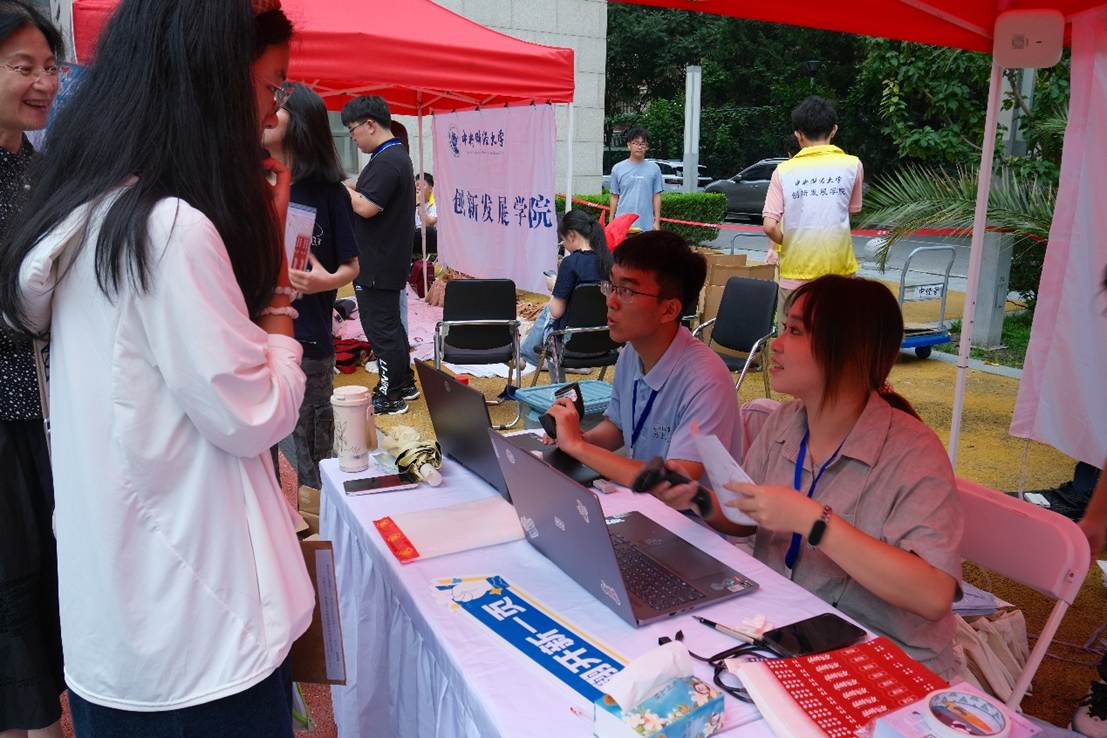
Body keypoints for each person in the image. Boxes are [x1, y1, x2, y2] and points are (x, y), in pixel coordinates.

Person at [0, 1, 313, 734]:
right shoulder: (168, 230)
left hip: (125, 629)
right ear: (211, 80)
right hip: (205, 638)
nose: (273, 112)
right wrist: (277, 299)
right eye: (272, 86)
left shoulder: (87, 212)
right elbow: (254, 413)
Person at [649, 276, 962, 678]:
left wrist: (814, 521)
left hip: (883, 660)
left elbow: (934, 595)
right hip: (786, 630)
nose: (776, 344)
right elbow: (747, 518)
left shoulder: (913, 453)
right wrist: (698, 498)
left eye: (795, 331)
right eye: (783, 328)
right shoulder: (784, 422)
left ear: (847, 351)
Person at [544, 230, 739, 487]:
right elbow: (619, 427)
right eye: (611, 286)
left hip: (686, 512)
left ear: (669, 309)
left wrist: (579, 447)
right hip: (642, 501)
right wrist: (575, 439)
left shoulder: (707, 381)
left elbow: (674, 481)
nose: (611, 301)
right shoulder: (632, 353)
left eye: (627, 291)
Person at [0, 4, 63, 737]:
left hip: (50, 413)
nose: (43, 81)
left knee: (52, 575)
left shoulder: (46, 173)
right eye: (24, 66)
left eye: (50, 66)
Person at [261, 82, 359, 491]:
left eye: (277, 106)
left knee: (315, 454)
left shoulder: (331, 194)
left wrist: (325, 281)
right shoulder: (249, 184)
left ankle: (318, 523)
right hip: (254, 343)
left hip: (309, 341)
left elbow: (351, 266)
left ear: (301, 121)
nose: (265, 113)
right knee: (260, 455)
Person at [341, 95, 417, 415]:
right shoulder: (393, 155)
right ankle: (403, 382)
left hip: (377, 260)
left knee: (381, 329)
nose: (353, 137)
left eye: (353, 130)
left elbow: (366, 206)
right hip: (386, 258)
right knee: (391, 326)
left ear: (370, 125)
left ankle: (390, 394)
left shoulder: (387, 161)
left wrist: (335, 186)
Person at [762, 97, 864, 320]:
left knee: (794, 334)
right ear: (834, 130)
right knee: (836, 336)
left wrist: (789, 242)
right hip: (839, 273)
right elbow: (850, 211)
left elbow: (769, 226)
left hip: (795, 273)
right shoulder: (853, 165)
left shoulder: (782, 171)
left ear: (798, 135)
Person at [520, 209, 612, 367]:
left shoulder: (570, 263)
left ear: (571, 235)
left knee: (550, 310)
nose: (566, 247)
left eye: (563, 241)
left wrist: (555, 287)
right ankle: (524, 354)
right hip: (606, 343)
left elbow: (556, 312)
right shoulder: (609, 261)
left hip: (570, 345)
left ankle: (525, 355)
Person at [608, 126, 663, 232]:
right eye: (636, 143)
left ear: (647, 147)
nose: (639, 147)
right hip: (622, 223)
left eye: (643, 144)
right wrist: (611, 220)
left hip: (646, 223)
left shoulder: (655, 169)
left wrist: (657, 221)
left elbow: (657, 196)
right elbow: (614, 196)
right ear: (629, 145)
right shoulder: (617, 168)